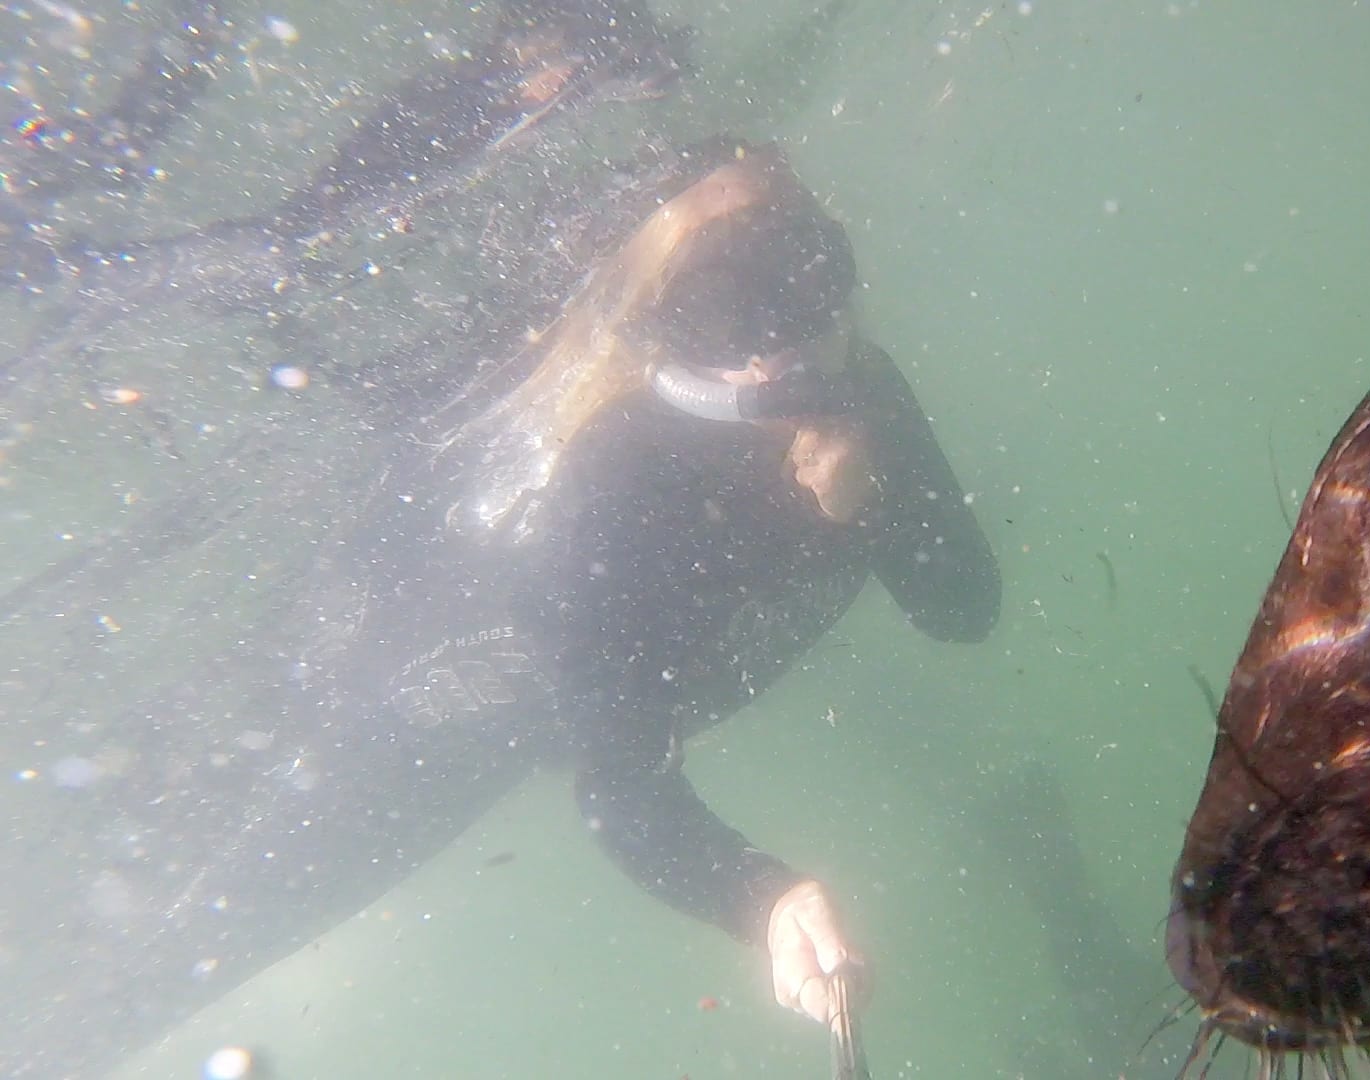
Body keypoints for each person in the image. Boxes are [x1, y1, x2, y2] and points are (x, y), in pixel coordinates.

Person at [0, 135, 999, 1077]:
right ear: (658, 315)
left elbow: (965, 609)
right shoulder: (613, 478)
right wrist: (762, 896)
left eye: (798, 270)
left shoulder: (856, 397)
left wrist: (876, 506)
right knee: (138, 913)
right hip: (411, 707)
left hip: (481, 727)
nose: (773, 347)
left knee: (170, 947)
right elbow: (626, 797)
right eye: (725, 298)